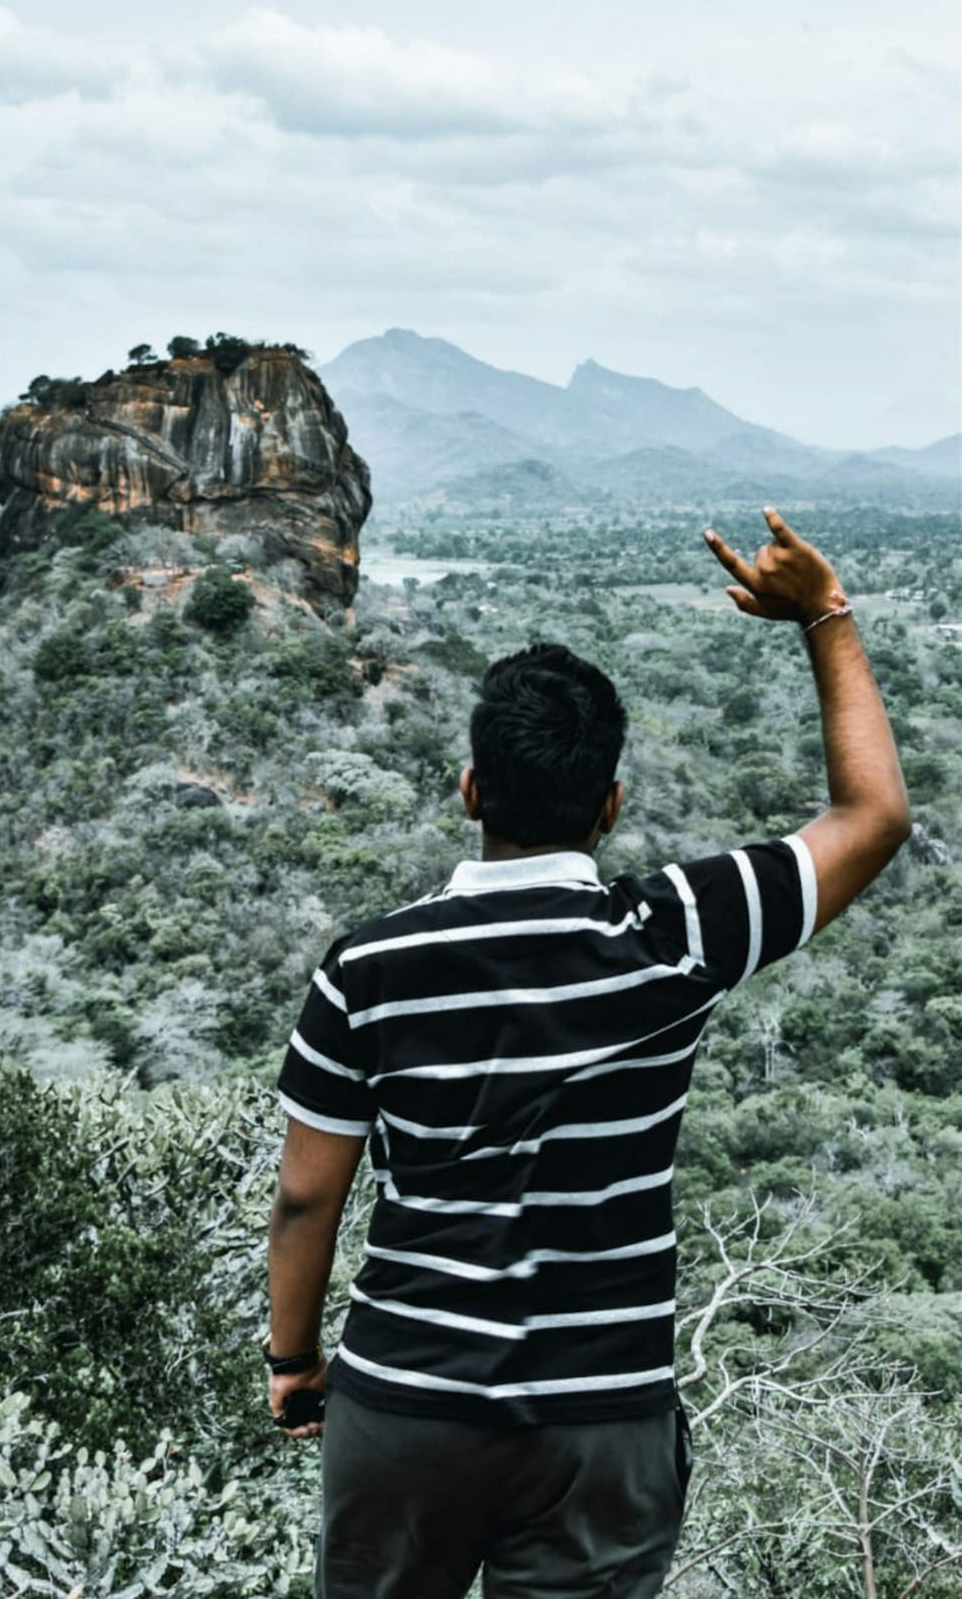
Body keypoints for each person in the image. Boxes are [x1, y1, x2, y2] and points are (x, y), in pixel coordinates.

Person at [264, 507, 910, 1599]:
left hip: (405, 1403)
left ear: (472, 792)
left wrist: (294, 1363)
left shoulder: (364, 967)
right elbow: (876, 814)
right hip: (601, 1418)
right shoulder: (677, 933)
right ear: (611, 805)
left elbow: (303, 1201)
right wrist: (826, 618)